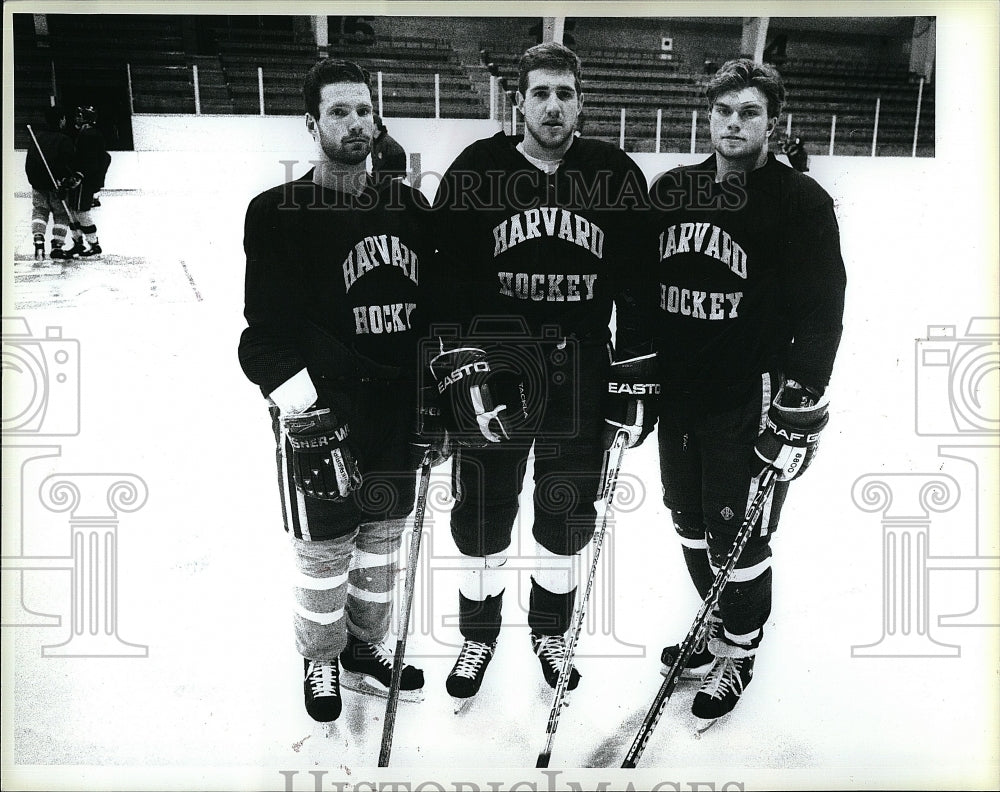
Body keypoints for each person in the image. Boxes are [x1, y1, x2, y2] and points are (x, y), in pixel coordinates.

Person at [427, 41, 657, 706]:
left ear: (581, 102)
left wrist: (636, 380)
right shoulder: (478, 170)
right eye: (540, 93)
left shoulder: (612, 173)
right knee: (480, 515)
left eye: (564, 93)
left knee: (566, 516)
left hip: (581, 368)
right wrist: (452, 370)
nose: (552, 105)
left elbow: (639, 288)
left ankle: (550, 632)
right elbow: (442, 281)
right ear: (517, 101)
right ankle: (479, 634)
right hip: (495, 371)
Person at [647, 59, 846, 725]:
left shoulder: (800, 202)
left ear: (773, 122)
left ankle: (740, 648)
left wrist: (800, 401)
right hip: (679, 396)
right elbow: (641, 291)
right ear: (709, 116)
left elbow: (823, 312)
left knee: (740, 538)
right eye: (725, 112)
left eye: (749, 113)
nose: (735, 124)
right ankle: (712, 622)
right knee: (691, 525)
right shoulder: (674, 188)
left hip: (749, 395)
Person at [238, 58, 433, 724]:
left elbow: (433, 315)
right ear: (311, 122)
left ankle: (364, 649)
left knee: (382, 544)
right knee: (323, 554)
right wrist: (305, 411)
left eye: (364, 110)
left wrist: (435, 401)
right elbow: (261, 338)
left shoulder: (409, 206)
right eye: (340, 111)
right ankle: (320, 655)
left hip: (395, 410)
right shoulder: (276, 214)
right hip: (324, 415)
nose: (356, 123)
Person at [25, 104, 84, 260]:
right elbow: (68, 164)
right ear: (62, 120)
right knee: (61, 215)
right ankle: (57, 246)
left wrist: (34, 182)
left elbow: (29, 163)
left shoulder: (37, 138)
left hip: (38, 184)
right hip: (57, 186)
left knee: (40, 211)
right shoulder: (64, 140)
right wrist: (66, 181)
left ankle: (38, 242)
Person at [67, 105, 112, 257]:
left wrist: (79, 175)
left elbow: (91, 161)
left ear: (86, 118)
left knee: (81, 211)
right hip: (83, 179)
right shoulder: (86, 133)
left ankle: (93, 244)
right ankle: (78, 243)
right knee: (73, 211)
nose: (76, 117)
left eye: (80, 115)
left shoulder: (90, 135)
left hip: (84, 180)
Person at [370, 114, 407, 186]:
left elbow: (399, 169)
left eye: (369, 124)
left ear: (375, 125)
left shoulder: (389, 143)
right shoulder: (374, 142)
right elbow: (377, 164)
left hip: (390, 182)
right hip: (381, 181)